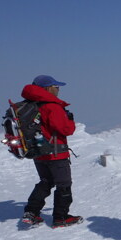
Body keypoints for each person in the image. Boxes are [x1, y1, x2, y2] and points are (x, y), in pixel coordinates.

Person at [20, 75, 82, 228]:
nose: (58, 89)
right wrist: (70, 120)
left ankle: (31, 212)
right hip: (56, 152)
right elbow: (65, 129)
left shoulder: (30, 104)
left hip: (38, 152)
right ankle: (61, 218)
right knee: (64, 184)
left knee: (46, 181)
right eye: (56, 86)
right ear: (47, 88)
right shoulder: (51, 106)